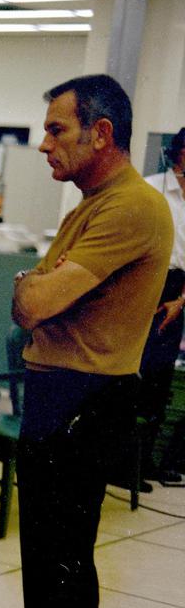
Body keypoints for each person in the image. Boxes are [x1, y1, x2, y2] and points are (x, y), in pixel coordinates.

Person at [0, 75, 171, 608]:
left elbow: (36, 299)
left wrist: (36, 288)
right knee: (47, 568)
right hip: (61, 393)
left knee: (63, 573)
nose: (43, 142)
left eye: (57, 130)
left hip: (87, 400)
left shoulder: (132, 208)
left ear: (101, 134)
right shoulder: (94, 203)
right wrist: (40, 289)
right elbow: (41, 294)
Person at [132, 127, 185, 485]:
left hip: (178, 293)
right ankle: (122, 464)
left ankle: (144, 463)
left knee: (159, 382)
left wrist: (180, 302)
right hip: (146, 285)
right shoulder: (150, 189)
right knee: (134, 376)